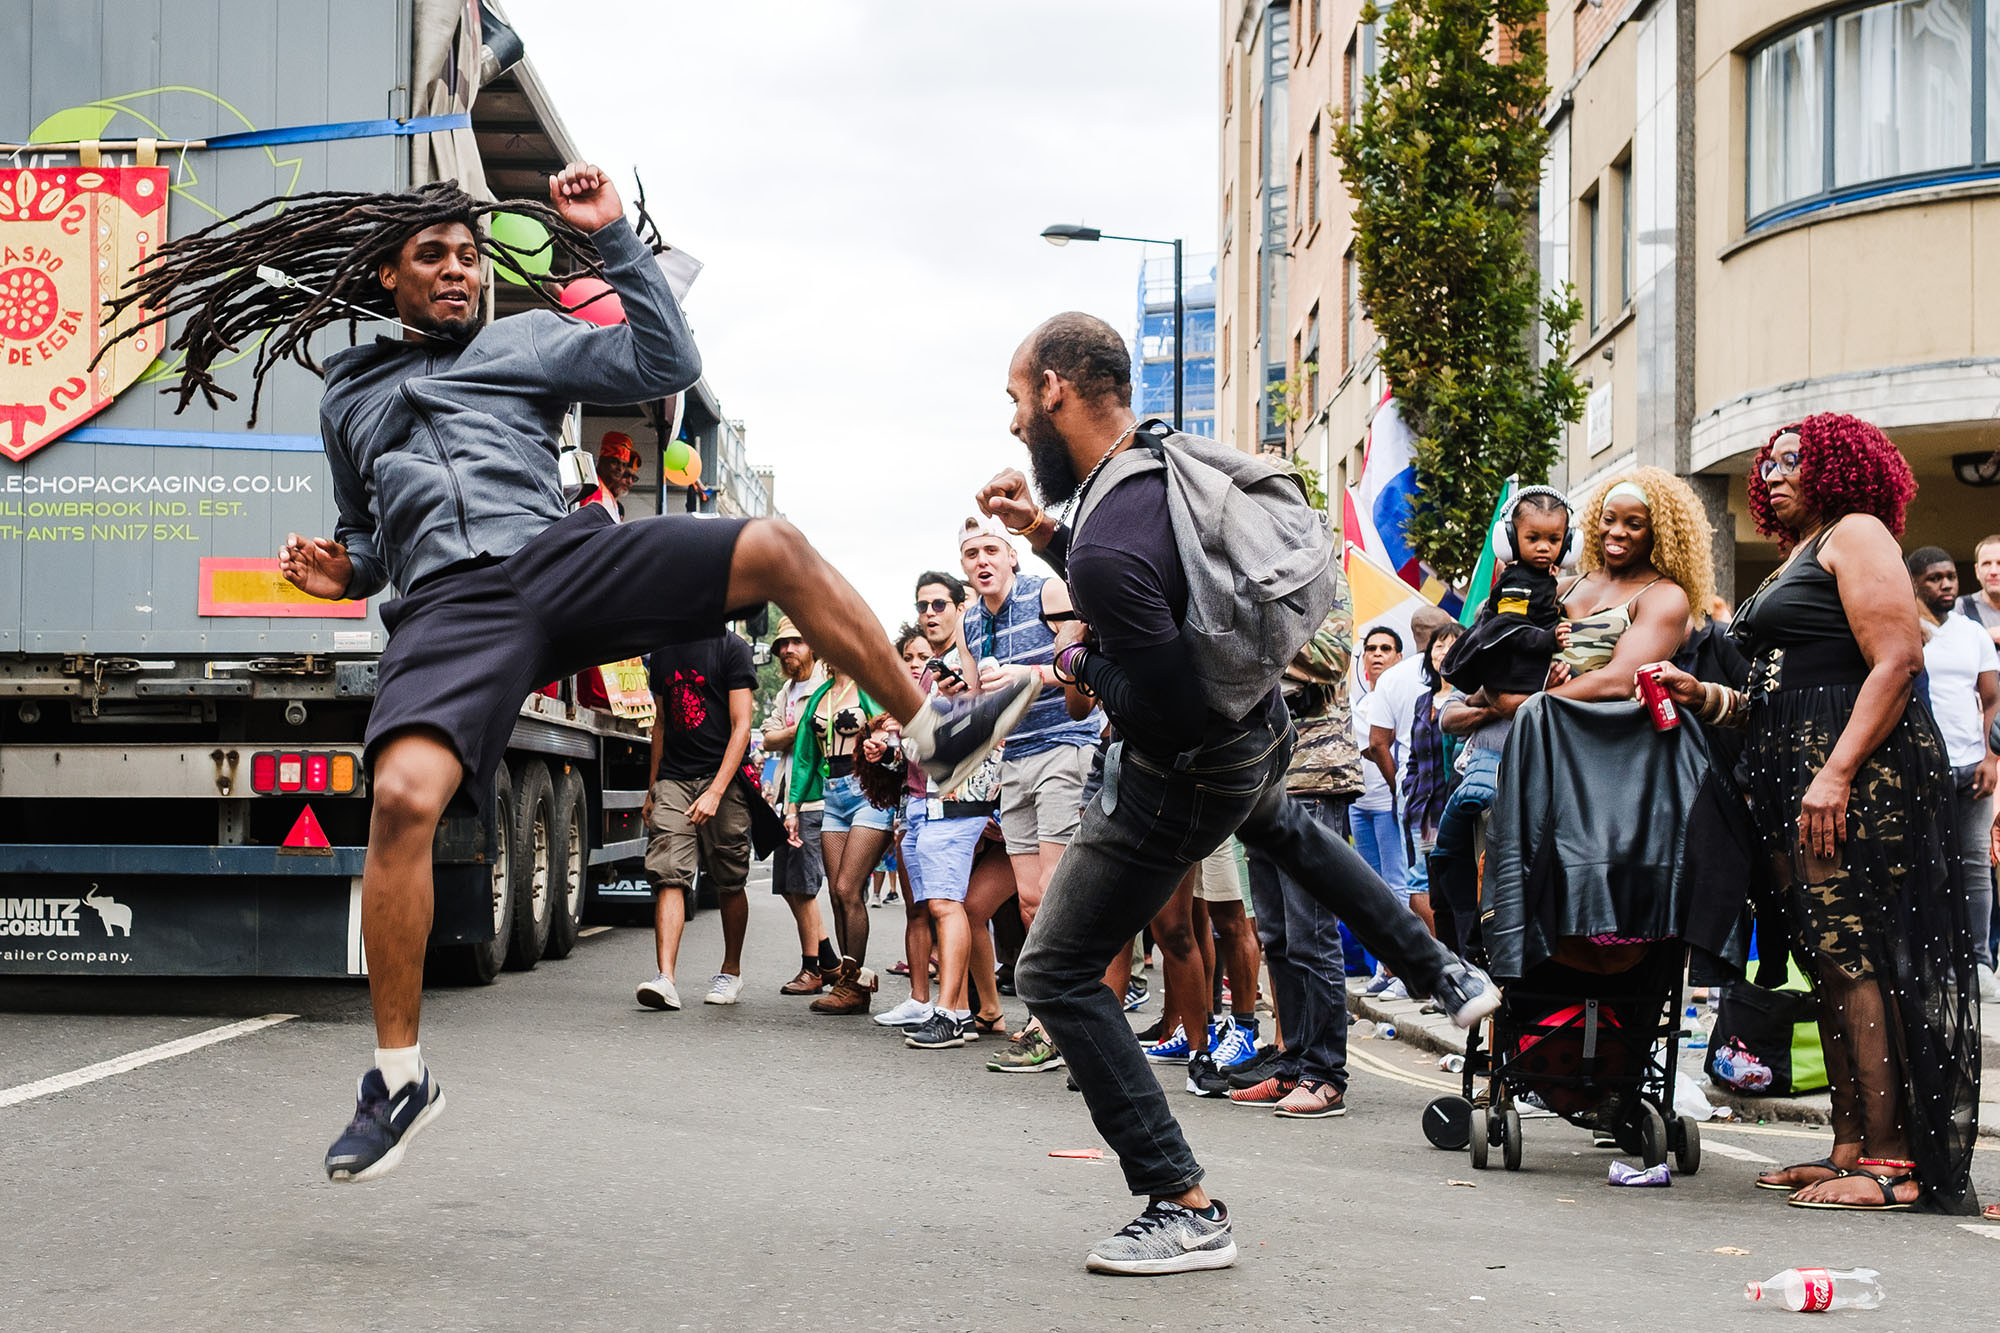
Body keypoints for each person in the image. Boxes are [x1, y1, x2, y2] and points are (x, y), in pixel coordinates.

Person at [105, 164, 1042, 1181]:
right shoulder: (351, 394)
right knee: (401, 799)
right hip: (447, 609)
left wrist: (609, 242)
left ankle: (928, 729)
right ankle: (397, 1077)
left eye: (469, 256)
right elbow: (364, 535)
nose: (459, 271)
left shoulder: (523, 342)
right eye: (435, 257)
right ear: (388, 275)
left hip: (554, 560)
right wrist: (343, 573)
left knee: (773, 544)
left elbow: (659, 357)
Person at [978, 311, 1497, 1273]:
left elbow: (1163, 702)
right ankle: (1443, 973)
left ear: (1055, 387)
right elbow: (1146, 568)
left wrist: (1081, 656)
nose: (1013, 424)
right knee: (1286, 827)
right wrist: (1043, 532)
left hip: (1184, 763)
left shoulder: (1107, 536)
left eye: (1016, 398)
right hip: (1261, 728)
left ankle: (1182, 1202)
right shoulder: (1160, 462)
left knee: (1053, 972)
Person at [1649, 416, 1977, 1215]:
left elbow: (1897, 659)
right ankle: (1849, 1143)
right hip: (1798, 773)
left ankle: (1894, 1158)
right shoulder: (1804, 549)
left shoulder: (1858, 532)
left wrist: (1835, 774)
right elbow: (1773, 697)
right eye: (1771, 461)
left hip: (1854, 775)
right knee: (1828, 956)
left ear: (1839, 467)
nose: (1776, 471)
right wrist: (1707, 697)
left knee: (1860, 953)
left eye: (1796, 459)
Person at [1434, 468, 1711, 954]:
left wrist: (1528, 703)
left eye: (1635, 523)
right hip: (1526, 758)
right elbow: (1504, 657)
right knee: (1473, 872)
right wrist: (1484, 699)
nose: (1617, 533)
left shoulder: (1665, 597)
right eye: (1608, 519)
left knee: (1572, 913)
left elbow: (1620, 679)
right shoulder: (1560, 584)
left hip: (1597, 771)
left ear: (1660, 532)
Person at [958, 515, 1101, 1073]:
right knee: (1030, 903)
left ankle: (1055, 1027)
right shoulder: (972, 621)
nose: (982, 561)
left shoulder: (1048, 590)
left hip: (1066, 746)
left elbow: (1079, 658)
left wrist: (1030, 675)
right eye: (971, 554)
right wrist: (955, 696)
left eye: (992, 549)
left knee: (1055, 893)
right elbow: (977, 706)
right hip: (1013, 762)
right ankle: (1049, 1021)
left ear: (1013, 556)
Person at [1230, 601, 1367, 1116]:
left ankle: (1326, 1075)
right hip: (1258, 780)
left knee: (1312, 935)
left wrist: (1248, 644)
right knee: (1278, 937)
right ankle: (1293, 1065)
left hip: (1314, 775)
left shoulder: (1321, 576)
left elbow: (1328, 658)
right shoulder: (1249, 580)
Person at [636, 631, 757, 1010]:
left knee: (729, 878)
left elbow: (742, 726)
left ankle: (731, 971)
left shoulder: (733, 649)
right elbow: (660, 723)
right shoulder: (662, 651)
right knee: (669, 871)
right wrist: (653, 787)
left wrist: (717, 791)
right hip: (674, 778)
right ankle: (666, 978)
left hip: (723, 777)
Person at [1908, 547, 2000, 1001]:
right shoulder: (1905, 630)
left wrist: (1989, 756)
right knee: (1931, 870)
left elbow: (1991, 697)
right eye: (1934, 578)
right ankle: (1934, 964)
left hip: (1972, 767)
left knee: (1975, 867)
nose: (1946, 584)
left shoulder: (1973, 633)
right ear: (1914, 582)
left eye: (1951, 576)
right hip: (1924, 772)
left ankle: (1980, 963)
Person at [788, 660, 896, 1015]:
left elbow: (891, 728)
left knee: (849, 888)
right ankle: (850, 984)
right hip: (832, 796)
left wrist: (880, 739)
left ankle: (853, 983)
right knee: (836, 893)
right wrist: (793, 806)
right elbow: (804, 756)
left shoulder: (868, 686)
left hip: (866, 791)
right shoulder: (819, 694)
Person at [1365, 605, 1458, 954]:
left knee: (1431, 879)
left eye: (1449, 645)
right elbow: (1381, 745)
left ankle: (1446, 963)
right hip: (1422, 797)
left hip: (1446, 798)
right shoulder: (1421, 696)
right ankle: (1439, 964)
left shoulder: (1466, 693)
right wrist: (1403, 789)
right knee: (1423, 879)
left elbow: (1379, 744)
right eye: (1439, 644)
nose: (1442, 651)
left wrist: (1399, 788)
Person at [761, 620, 843, 995]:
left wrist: (791, 734)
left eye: (796, 642)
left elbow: (812, 736)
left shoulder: (826, 685)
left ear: (812, 645)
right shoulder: (787, 691)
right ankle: (828, 961)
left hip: (814, 796)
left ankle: (813, 967)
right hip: (786, 799)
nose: (788, 650)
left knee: (805, 887)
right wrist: (799, 731)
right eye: (782, 644)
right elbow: (768, 739)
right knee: (790, 887)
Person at [1438, 488, 1574, 694]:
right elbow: (1511, 628)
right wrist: (1549, 639)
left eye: (1553, 540)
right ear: (1511, 539)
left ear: (1566, 543)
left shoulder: (1540, 577)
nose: (1544, 547)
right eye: (1533, 538)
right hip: (1513, 672)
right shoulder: (1517, 581)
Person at [1349, 627, 1407, 904]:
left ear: (1399, 656)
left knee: (1397, 886)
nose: (1377, 654)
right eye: (1371, 649)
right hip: (1359, 806)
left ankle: (1405, 949)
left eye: (1385, 649)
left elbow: (1376, 746)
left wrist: (1400, 794)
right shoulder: (1357, 703)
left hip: (1389, 806)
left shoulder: (1407, 697)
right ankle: (1375, 950)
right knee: (1369, 891)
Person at [1958, 533, 2000, 648]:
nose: (1993, 571)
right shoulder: (1962, 607)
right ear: (1977, 571)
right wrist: (1986, 637)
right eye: (1986, 564)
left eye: (1999, 563)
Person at [589, 430, 640, 518]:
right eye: (615, 462)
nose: (620, 469)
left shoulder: (610, 497)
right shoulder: (590, 489)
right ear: (602, 459)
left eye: (624, 465)